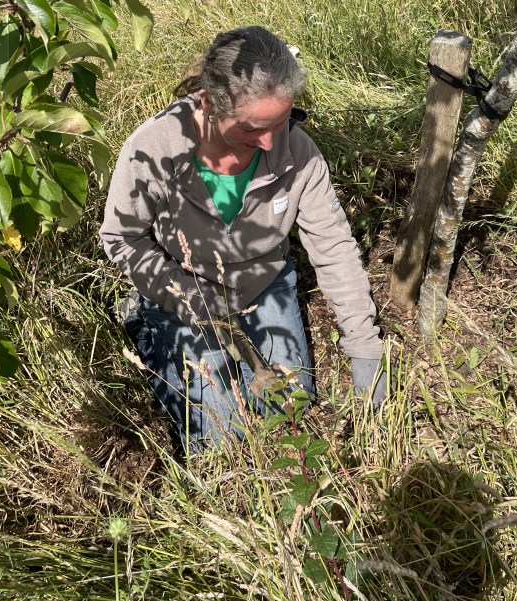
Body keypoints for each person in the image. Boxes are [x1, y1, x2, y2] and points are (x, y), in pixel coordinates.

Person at [100, 26, 385, 454]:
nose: (271, 142)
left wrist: (365, 349)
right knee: (217, 439)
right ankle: (144, 325)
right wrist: (181, 295)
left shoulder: (298, 152)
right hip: (187, 292)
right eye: (253, 127)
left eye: (281, 122)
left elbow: (333, 246)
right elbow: (122, 238)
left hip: (264, 282)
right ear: (210, 104)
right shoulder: (154, 149)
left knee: (289, 405)